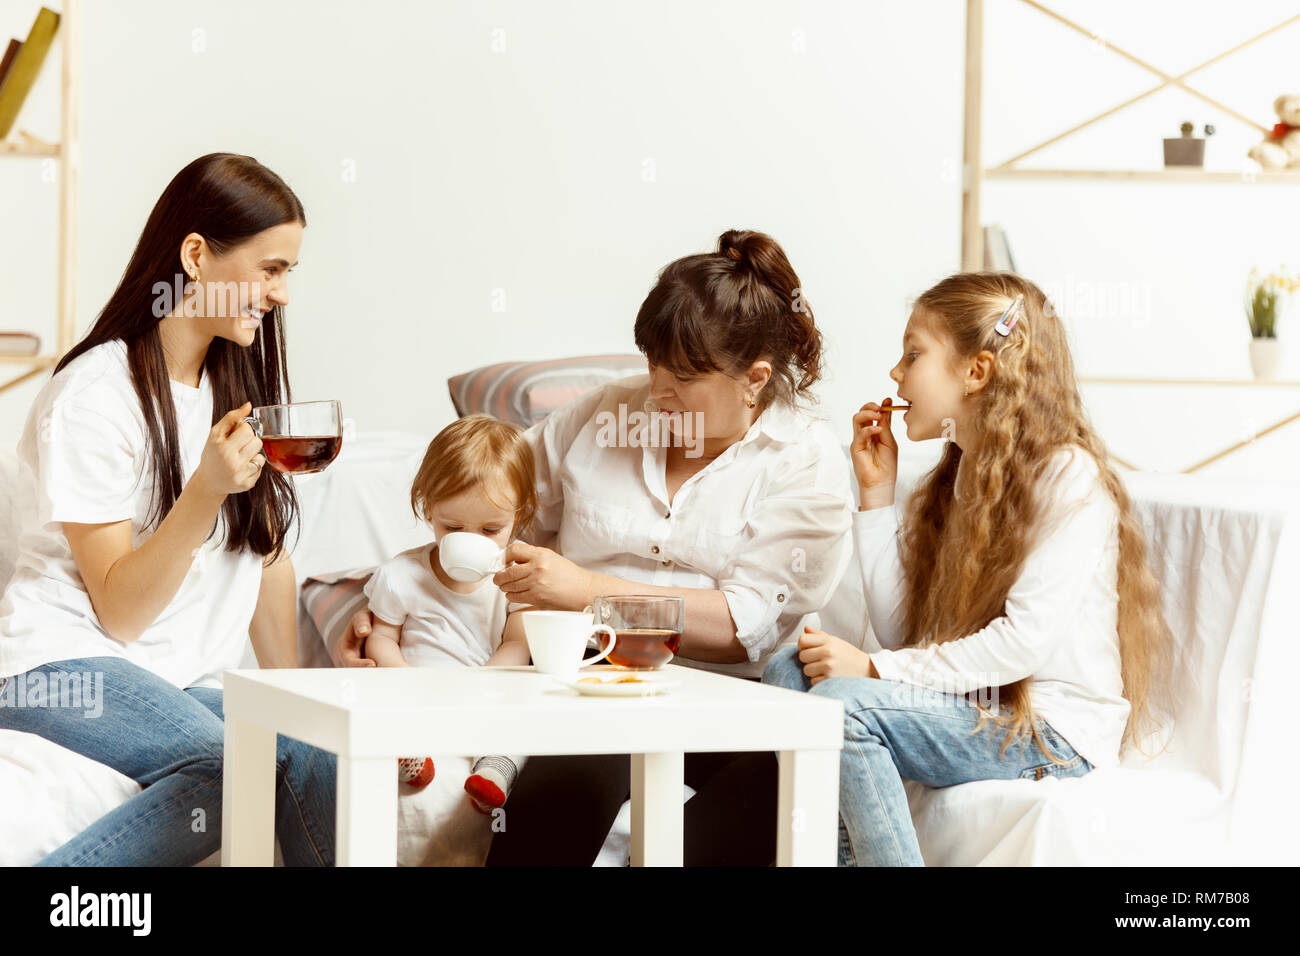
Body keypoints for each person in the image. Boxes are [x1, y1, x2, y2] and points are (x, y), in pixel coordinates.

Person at [336, 229, 853, 865]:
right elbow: (484, 503)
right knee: (554, 800)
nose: (657, 391)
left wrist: (586, 592)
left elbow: (743, 626)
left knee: (758, 805)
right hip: (590, 682)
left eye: (683, 378)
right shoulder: (603, 416)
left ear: (754, 380)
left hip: (731, 703)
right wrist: (398, 607)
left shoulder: (806, 465)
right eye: (652, 366)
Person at [763, 271, 1175, 866]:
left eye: (912, 355)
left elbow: (1021, 646)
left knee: (843, 706)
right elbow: (908, 630)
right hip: (978, 706)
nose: (895, 374)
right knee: (785, 672)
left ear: (976, 372)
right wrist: (875, 495)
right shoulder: (962, 473)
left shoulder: (1068, 476)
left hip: (1051, 733)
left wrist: (873, 669)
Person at [0, 153, 336, 866]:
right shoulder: (96, 395)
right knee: (230, 765)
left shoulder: (231, 381)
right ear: (196, 256)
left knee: (312, 754)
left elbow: (264, 556)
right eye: (270, 268)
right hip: (57, 668)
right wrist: (205, 491)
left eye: (289, 273)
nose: (281, 293)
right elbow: (120, 611)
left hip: (169, 680)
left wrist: (304, 702)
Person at [361, 414, 534, 810]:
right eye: (453, 527)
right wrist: (405, 679)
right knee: (383, 712)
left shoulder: (516, 578)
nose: (471, 540)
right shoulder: (402, 575)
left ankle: (491, 773)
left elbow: (518, 641)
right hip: (417, 694)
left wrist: (482, 686)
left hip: (486, 692)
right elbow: (381, 636)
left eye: (491, 530)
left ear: (518, 516)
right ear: (427, 507)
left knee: (517, 726)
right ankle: (411, 754)